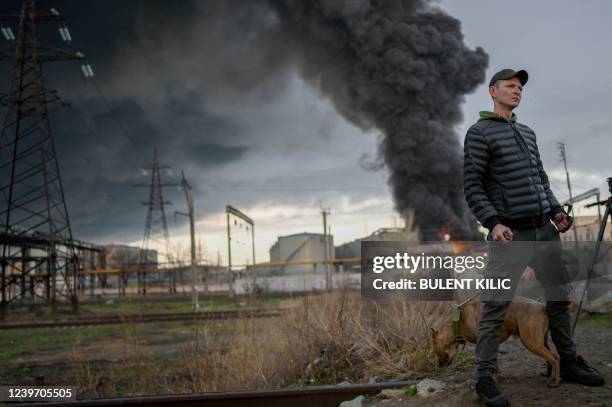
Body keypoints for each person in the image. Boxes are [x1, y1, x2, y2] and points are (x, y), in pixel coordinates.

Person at [463, 68, 605, 406]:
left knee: (558, 298)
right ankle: (484, 377)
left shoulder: (526, 132)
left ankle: (567, 362)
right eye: (510, 86)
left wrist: (556, 210)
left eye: (520, 87)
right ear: (492, 91)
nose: (516, 91)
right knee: (495, 305)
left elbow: (540, 178)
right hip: (509, 235)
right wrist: (493, 222)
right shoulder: (479, 132)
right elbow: (473, 185)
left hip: (545, 229)